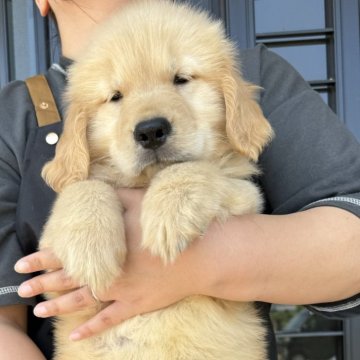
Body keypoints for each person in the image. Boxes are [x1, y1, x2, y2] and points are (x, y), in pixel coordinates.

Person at [0, 0, 359, 359]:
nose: (150, 121)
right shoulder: (15, 115)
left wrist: (204, 260)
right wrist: (86, 198)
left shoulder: (250, 69)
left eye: (181, 79)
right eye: (115, 97)